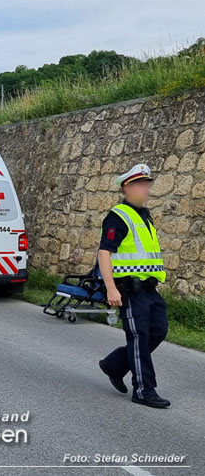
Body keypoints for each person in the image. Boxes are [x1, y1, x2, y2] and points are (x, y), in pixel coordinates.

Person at [97, 164, 169, 408]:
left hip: (150, 289)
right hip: (129, 289)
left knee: (159, 330)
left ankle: (115, 364)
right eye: (141, 184)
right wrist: (110, 288)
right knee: (139, 337)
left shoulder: (144, 215)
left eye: (148, 184)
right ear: (126, 187)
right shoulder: (118, 216)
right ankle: (144, 390)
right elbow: (104, 252)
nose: (146, 189)